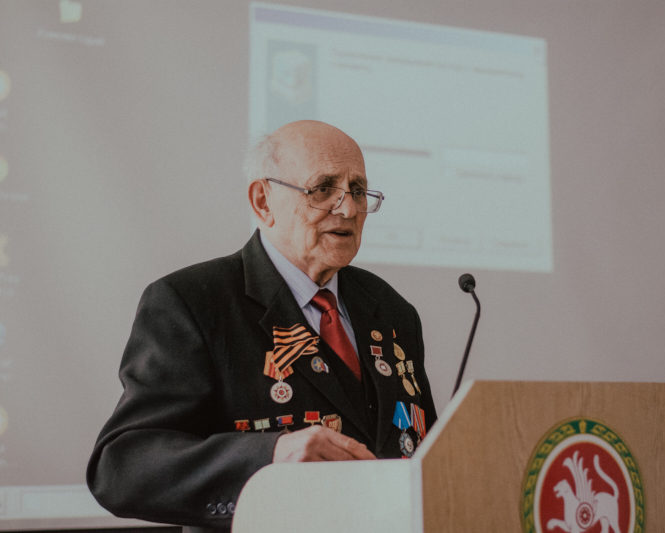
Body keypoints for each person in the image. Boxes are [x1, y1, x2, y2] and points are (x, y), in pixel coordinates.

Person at [86, 121, 437, 532]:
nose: (348, 209)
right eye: (323, 188)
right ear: (263, 201)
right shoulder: (194, 302)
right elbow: (121, 466)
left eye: (357, 190)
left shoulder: (390, 309)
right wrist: (269, 457)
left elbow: (419, 446)